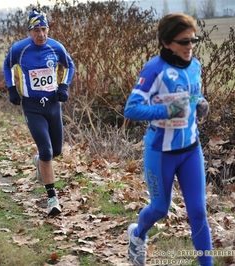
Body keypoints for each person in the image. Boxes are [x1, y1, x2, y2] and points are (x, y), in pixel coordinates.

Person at [123, 13, 212, 266]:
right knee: (160, 209)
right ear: (165, 42)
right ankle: (137, 234)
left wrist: (200, 102)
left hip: (191, 150)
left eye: (193, 40)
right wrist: (166, 111)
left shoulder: (195, 65)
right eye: (183, 41)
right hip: (160, 153)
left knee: (197, 212)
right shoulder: (154, 70)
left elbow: (192, 94)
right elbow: (131, 109)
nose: (190, 46)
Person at [3, 9, 75, 217]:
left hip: (53, 104)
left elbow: (69, 66)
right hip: (32, 106)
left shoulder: (56, 47)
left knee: (56, 152)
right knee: (46, 150)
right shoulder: (20, 49)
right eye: (36, 30)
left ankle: (39, 162)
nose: (41, 34)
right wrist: (11, 89)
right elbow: (7, 66)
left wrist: (63, 86)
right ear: (29, 32)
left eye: (44, 29)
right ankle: (52, 198)